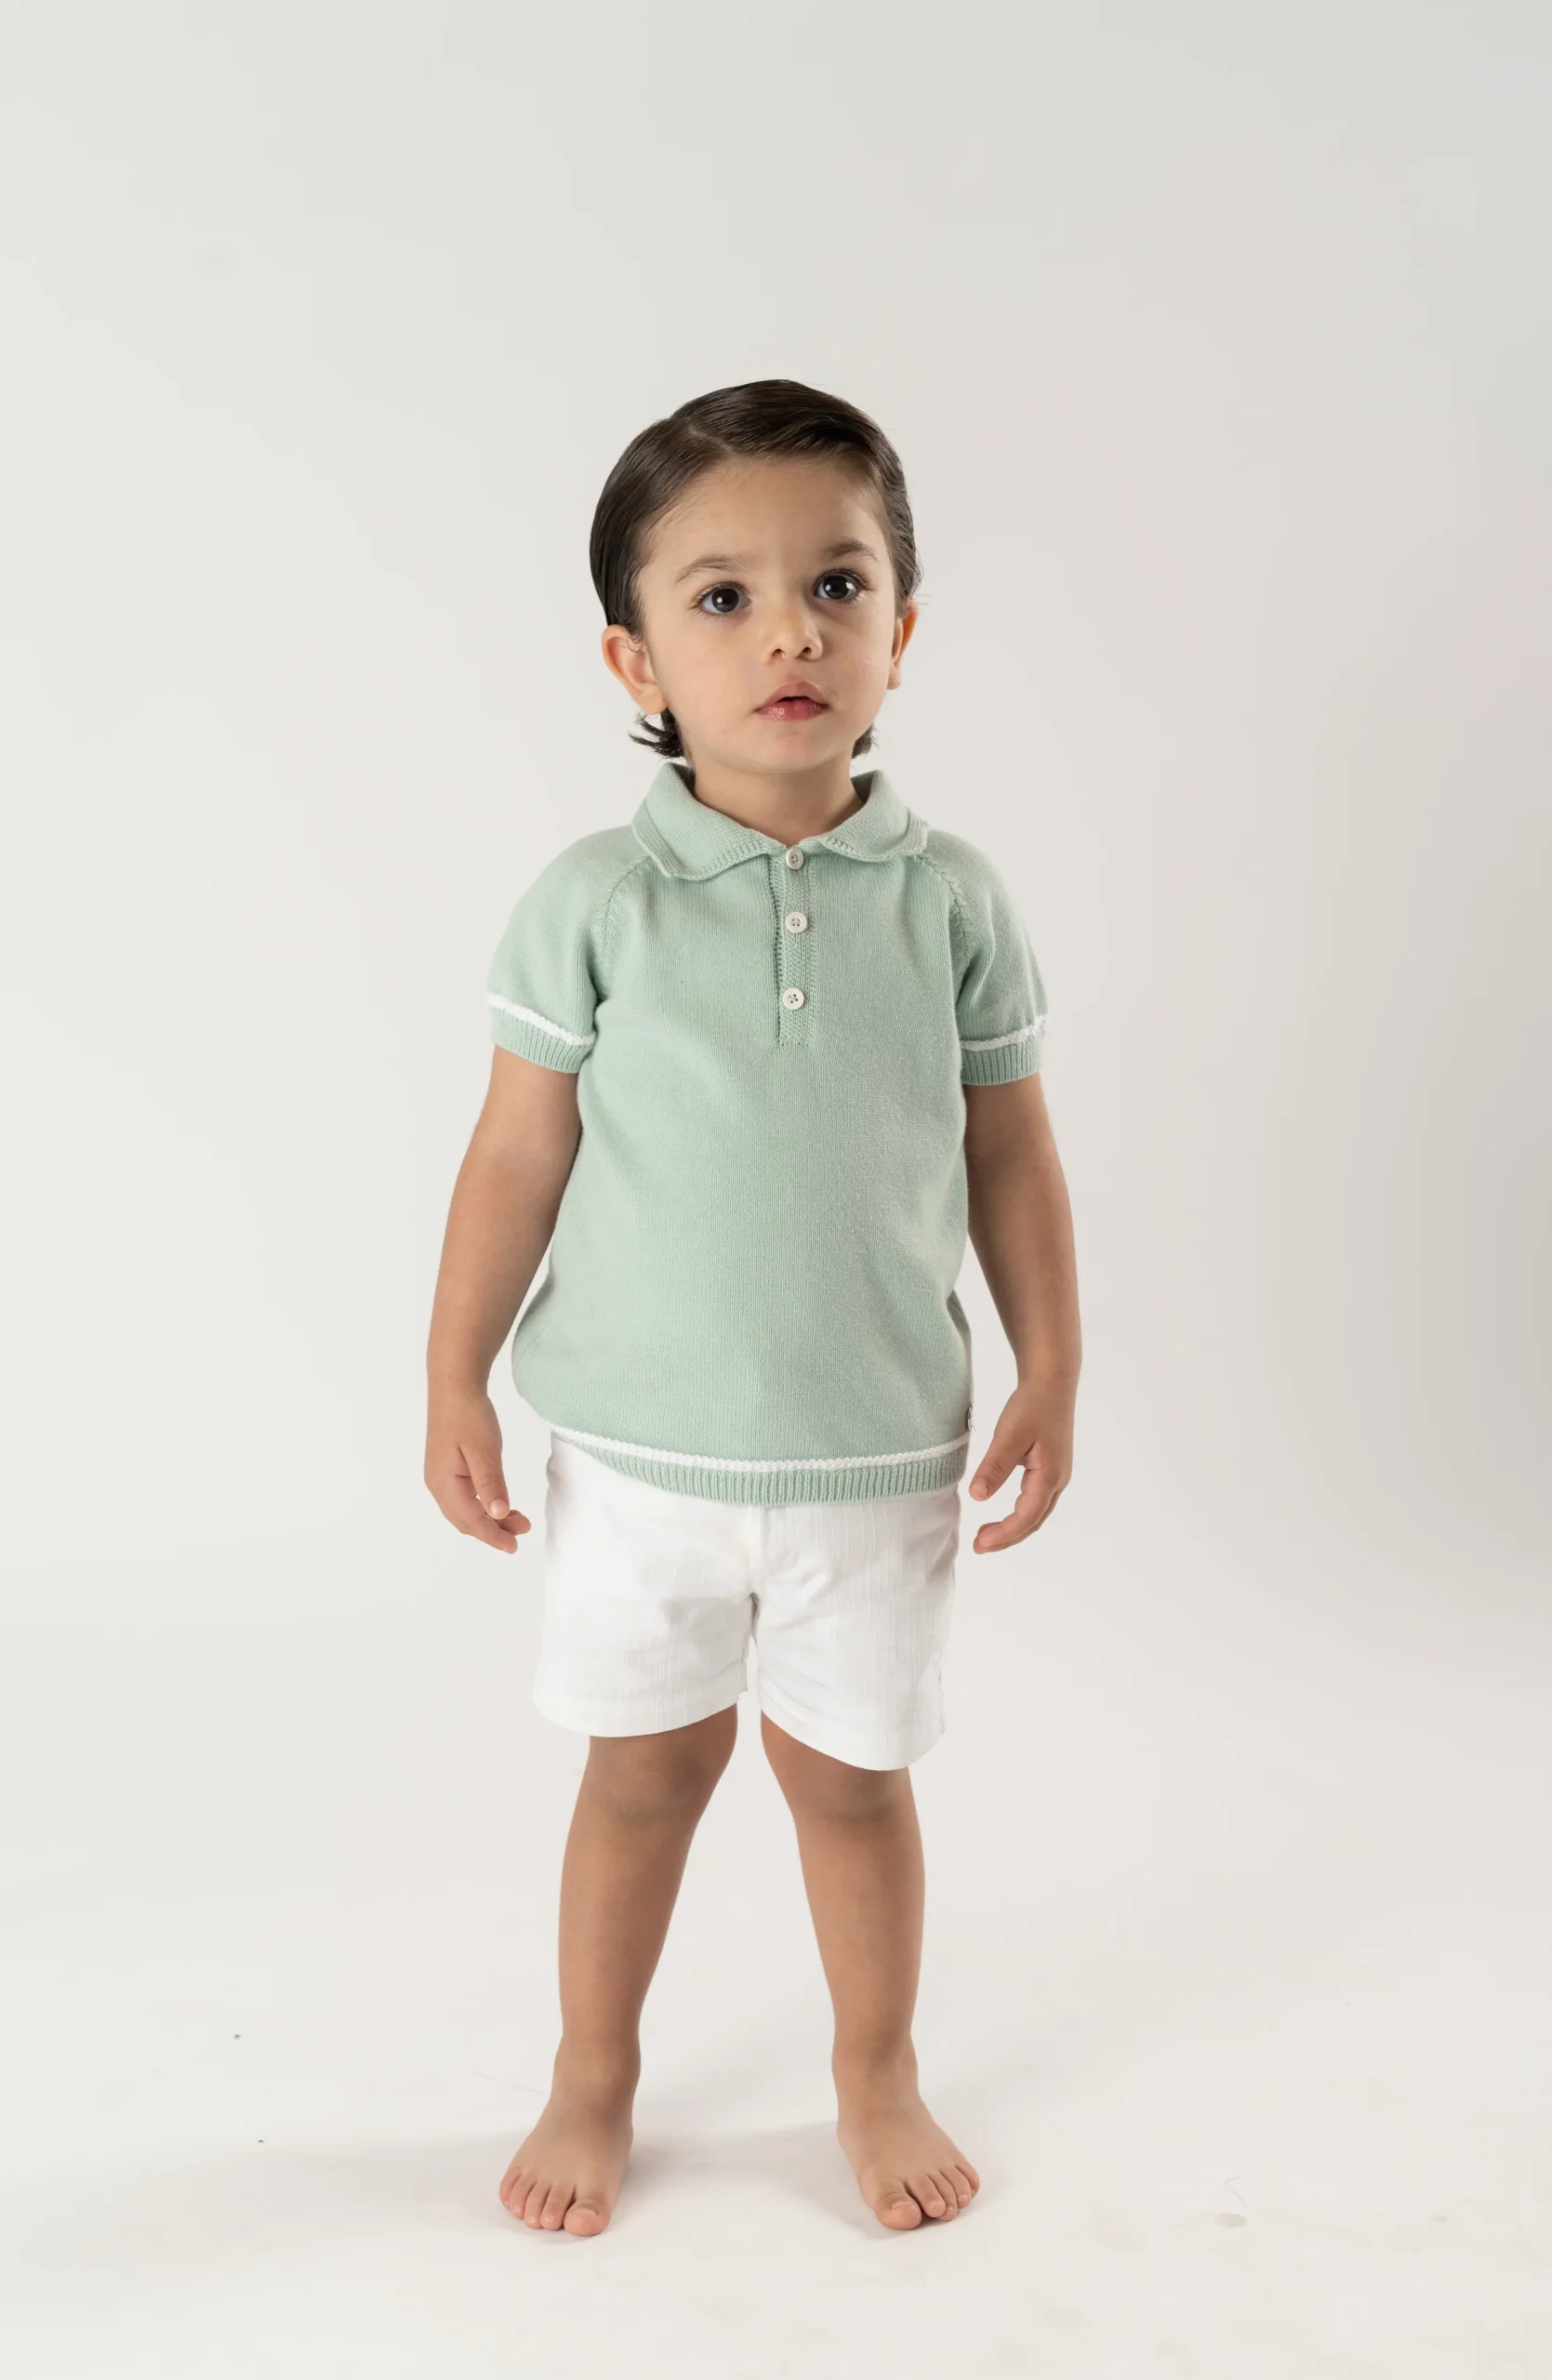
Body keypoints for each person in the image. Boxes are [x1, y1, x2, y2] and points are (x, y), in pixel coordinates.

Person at [424, 378, 1081, 2239]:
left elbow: (1011, 1149)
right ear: (634, 655)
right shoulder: (595, 901)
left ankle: (874, 2069)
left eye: (835, 583)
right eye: (722, 597)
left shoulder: (949, 901)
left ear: (901, 627)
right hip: (639, 1459)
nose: (788, 630)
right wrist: (451, 1372)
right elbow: (513, 1154)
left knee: (852, 1785)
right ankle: (591, 2074)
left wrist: (1053, 1364)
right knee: (640, 1780)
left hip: (874, 1453)